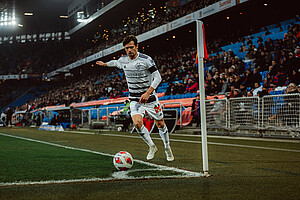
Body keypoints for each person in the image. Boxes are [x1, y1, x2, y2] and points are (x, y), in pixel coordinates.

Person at [96, 35, 174, 161]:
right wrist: (105, 64)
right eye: (127, 48)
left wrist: (148, 93)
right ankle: (152, 146)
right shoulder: (123, 60)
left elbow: (158, 77)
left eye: (131, 47)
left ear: (137, 46)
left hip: (150, 98)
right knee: (137, 124)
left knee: (160, 123)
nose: (129, 50)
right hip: (134, 99)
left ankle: (167, 147)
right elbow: (115, 63)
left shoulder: (146, 60)